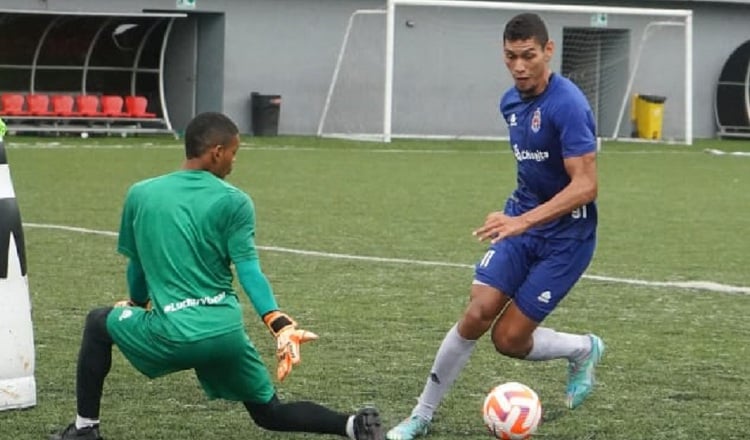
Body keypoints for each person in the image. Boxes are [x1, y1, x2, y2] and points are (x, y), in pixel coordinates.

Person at [49, 112, 383, 440]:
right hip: (226, 334)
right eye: (234, 153)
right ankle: (354, 426)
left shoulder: (141, 194)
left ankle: (84, 429)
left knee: (97, 322)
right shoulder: (235, 201)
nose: (233, 163)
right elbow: (249, 269)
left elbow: (137, 267)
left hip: (174, 333)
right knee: (270, 413)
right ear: (217, 152)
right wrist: (278, 322)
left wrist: (136, 303)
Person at [386, 13, 604, 440]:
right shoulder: (510, 102)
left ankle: (583, 348)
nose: (519, 66)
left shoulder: (569, 105)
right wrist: (516, 215)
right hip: (520, 223)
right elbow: (534, 173)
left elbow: (587, 186)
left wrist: (522, 220)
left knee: (508, 340)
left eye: (528, 56)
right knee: (477, 312)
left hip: (568, 237)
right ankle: (421, 416)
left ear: (547, 51)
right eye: (510, 57)